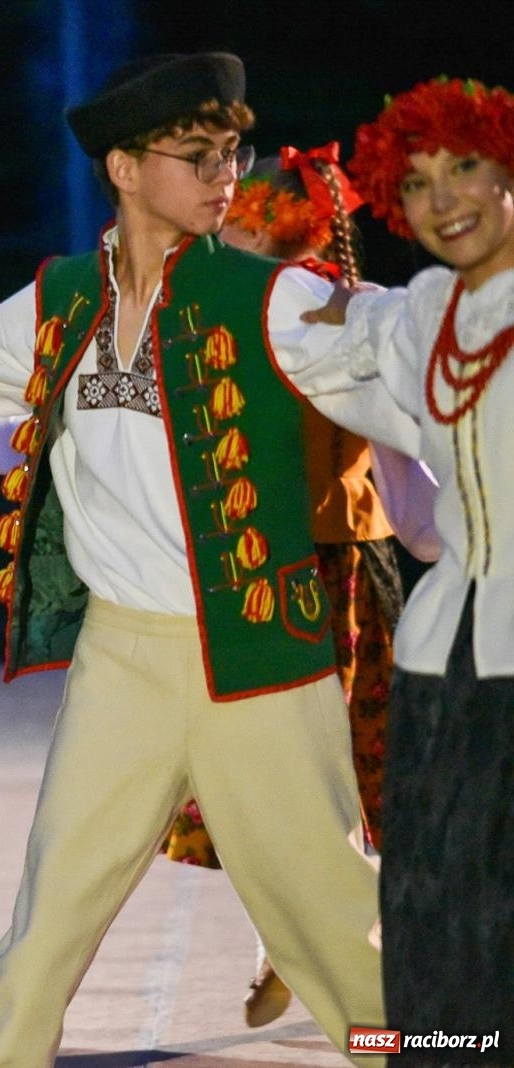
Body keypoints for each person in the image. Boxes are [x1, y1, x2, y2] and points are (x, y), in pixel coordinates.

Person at [0, 54, 409, 1061]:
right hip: (122, 657)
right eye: (196, 155)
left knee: (335, 928)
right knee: (47, 918)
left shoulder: (272, 298)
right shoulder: (59, 298)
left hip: (258, 660)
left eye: (231, 153)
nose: (225, 175)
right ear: (125, 169)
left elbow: (396, 352)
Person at [159, 143, 432, 1027]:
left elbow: (394, 436)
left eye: (240, 214)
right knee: (300, 767)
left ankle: (317, 950)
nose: (224, 222)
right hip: (298, 563)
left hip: (309, 567)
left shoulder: (307, 306)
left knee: (303, 765)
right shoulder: (271, 303)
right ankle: (305, 941)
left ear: (272, 225)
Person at [320, 75, 514, 1056]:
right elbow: (327, 341)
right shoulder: (422, 311)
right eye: (416, 182)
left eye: (465, 168)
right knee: (432, 927)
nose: (443, 199)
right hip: (439, 663)